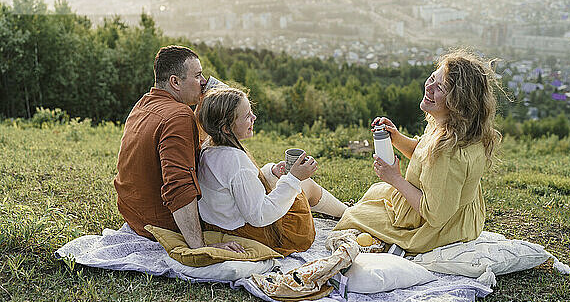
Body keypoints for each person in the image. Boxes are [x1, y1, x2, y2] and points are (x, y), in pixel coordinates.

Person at [335, 49, 501, 254]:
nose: (429, 87)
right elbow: (423, 155)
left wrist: (395, 179)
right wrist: (396, 137)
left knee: (354, 217)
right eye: (432, 78)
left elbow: (436, 215)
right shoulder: (451, 127)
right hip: (452, 214)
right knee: (373, 193)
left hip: (440, 230)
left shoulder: (448, 153)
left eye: (440, 87)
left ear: (457, 103)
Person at [114, 45, 241, 251]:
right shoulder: (179, 116)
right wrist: (199, 247)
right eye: (198, 75)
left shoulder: (144, 104)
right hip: (161, 224)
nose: (203, 82)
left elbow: (182, 148)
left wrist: (204, 111)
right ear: (175, 81)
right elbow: (179, 186)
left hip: (134, 215)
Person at [196, 87, 348, 256]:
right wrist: (294, 178)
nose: (254, 118)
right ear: (226, 128)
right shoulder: (236, 162)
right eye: (247, 116)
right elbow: (259, 216)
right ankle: (347, 213)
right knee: (305, 185)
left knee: (287, 181)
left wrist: (271, 173)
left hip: (221, 224)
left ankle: (345, 212)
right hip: (257, 234)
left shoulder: (209, 147)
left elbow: (237, 188)